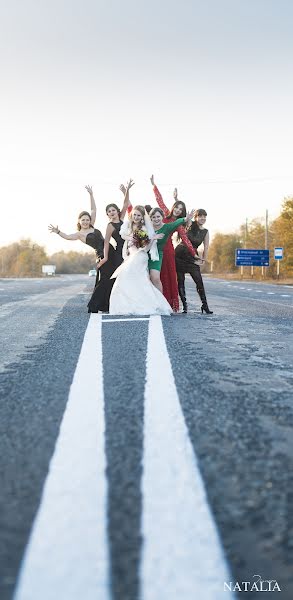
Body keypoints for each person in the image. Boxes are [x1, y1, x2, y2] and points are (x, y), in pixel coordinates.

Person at [109, 206, 172, 316]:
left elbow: (146, 248)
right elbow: (123, 236)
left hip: (139, 256)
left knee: (129, 277)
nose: (136, 217)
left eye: (139, 215)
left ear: (142, 217)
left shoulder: (143, 229)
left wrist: (152, 239)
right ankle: (129, 304)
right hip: (131, 255)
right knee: (130, 279)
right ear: (131, 215)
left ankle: (149, 304)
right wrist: (131, 238)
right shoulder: (128, 226)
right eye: (135, 215)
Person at [150, 175, 197, 311]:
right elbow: (159, 200)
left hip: (168, 250)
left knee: (168, 276)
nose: (177, 210)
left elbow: (186, 241)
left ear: (182, 212)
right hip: (154, 247)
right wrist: (154, 185)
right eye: (176, 207)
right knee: (155, 276)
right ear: (173, 207)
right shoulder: (164, 213)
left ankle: (167, 304)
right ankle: (153, 300)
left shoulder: (179, 225)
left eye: (180, 209)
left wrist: (194, 254)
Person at [87, 180, 134, 312]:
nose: (111, 212)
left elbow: (126, 203)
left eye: (113, 210)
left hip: (130, 250)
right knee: (117, 278)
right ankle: (108, 304)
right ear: (107, 214)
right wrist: (106, 258)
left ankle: (121, 302)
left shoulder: (122, 218)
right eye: (109, 211)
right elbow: (106, 242)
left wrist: (126, 190)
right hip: (118, 253)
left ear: (117, 211)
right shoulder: (110, 226)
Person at [148, 206, 195, 294]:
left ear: (162, 217)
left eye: (158, 216)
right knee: (145, 278)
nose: (156, 219)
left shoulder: (167, 227)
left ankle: (160, 302)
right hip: (145, 254)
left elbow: (176, 223)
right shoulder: (147, 227)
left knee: (155, 278)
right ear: (150, 218)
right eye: (153, 217)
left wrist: (186, 219)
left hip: (157, 255)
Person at [175, 209, 213, 314]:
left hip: (193, 256)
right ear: (196, 217)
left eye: (204, 216)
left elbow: (206, 247)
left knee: (199, 281)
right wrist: (176, 198)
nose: (202, 218)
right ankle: (185, 306)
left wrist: (203, 260)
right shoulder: (190, 224)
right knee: (181, 281)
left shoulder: (205, 232)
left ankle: (205, 305)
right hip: (180, 254)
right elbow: (185, 218)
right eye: (200, 216)